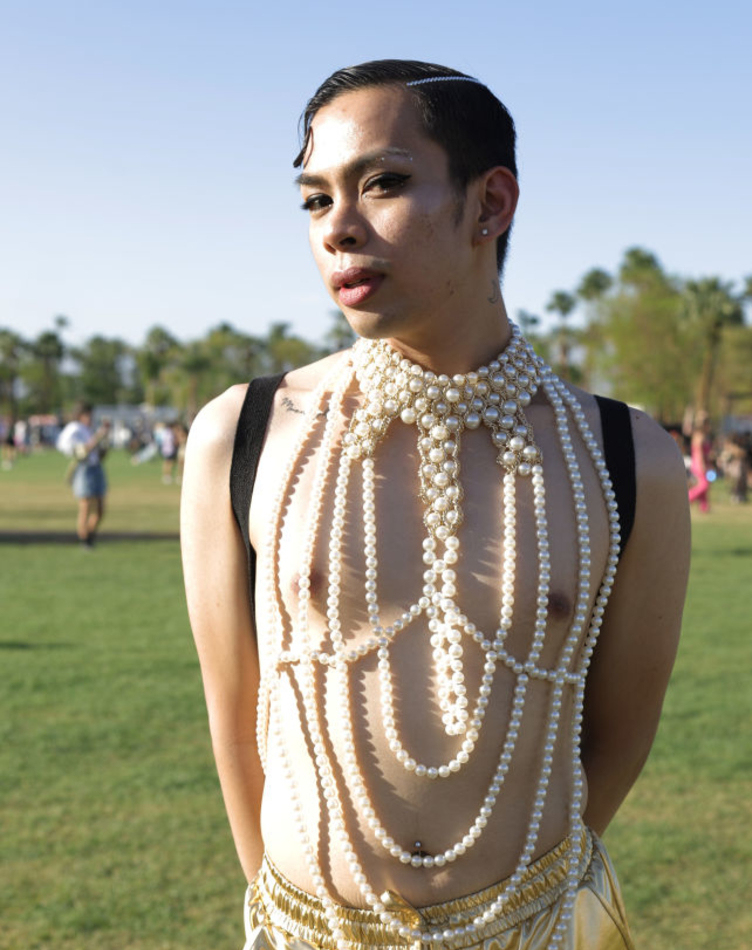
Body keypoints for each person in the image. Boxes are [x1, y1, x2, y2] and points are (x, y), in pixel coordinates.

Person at [181, 60, 691, 950]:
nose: (338, 229)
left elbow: (619, 736)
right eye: (313, 200)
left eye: (383, 183)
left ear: (491, 204)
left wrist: (504, 905)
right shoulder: (244, 434)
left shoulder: (627, 457)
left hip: (532, 931)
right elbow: (235, 718)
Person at [56, 402, 110, 548]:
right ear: (80, 415)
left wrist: (104, 441)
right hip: (83, 468)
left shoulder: (88, 429)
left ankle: (89, 536)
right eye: (88, 414)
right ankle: (84, 540)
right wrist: (97, 437)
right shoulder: (74, 428)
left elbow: (98, 454)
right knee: (85, 506)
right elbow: (77, 450)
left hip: (96, 467)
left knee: (99, 509)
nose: (91, 417)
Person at [688, 413, 713, 513]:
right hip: (698, 463)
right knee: (704, 485)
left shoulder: (704, 436)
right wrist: (702, 464)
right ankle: (688, 498)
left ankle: (704, 506)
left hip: (704, 463)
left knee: (706, 485)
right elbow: (699, 452)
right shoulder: (698, 436)